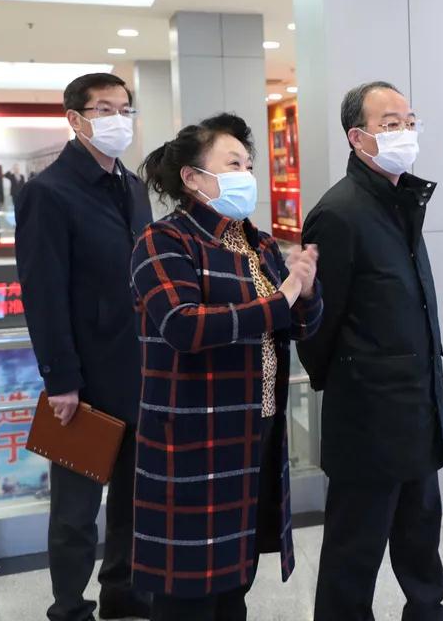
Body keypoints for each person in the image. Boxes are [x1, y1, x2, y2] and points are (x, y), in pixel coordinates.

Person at [130, 113, 323, 621]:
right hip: (194, 442)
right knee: (188, 593)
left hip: (255, 432)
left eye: (248, 165)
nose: (246, 174)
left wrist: (305, 292)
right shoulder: (164, 241)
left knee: (236, 582)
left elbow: (295, 325)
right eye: (233, 164)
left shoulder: (259, 244)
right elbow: (183, 326)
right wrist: (282, 299)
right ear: (192, 177)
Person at [298, 81, 443, 621]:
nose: (404, 133)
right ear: (357, 137)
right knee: (354, 550)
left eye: (409, 122)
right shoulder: (338, 213)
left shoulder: (403, 199)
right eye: (390, 124)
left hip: (417, 405)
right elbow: (317, 323)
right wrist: (350, 378)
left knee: (421, 536)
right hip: (368, 415)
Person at [15, 73, 152, 621]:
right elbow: (43, 294)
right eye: (104, 109)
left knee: (133, 500)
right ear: (74, 119)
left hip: (138, 370)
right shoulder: (48, 193)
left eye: (125, 109)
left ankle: (124, 593)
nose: (118, 120)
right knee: (75, 512)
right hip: (84, 381)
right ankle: (69, 607)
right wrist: (61, 380)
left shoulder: (133, 187)